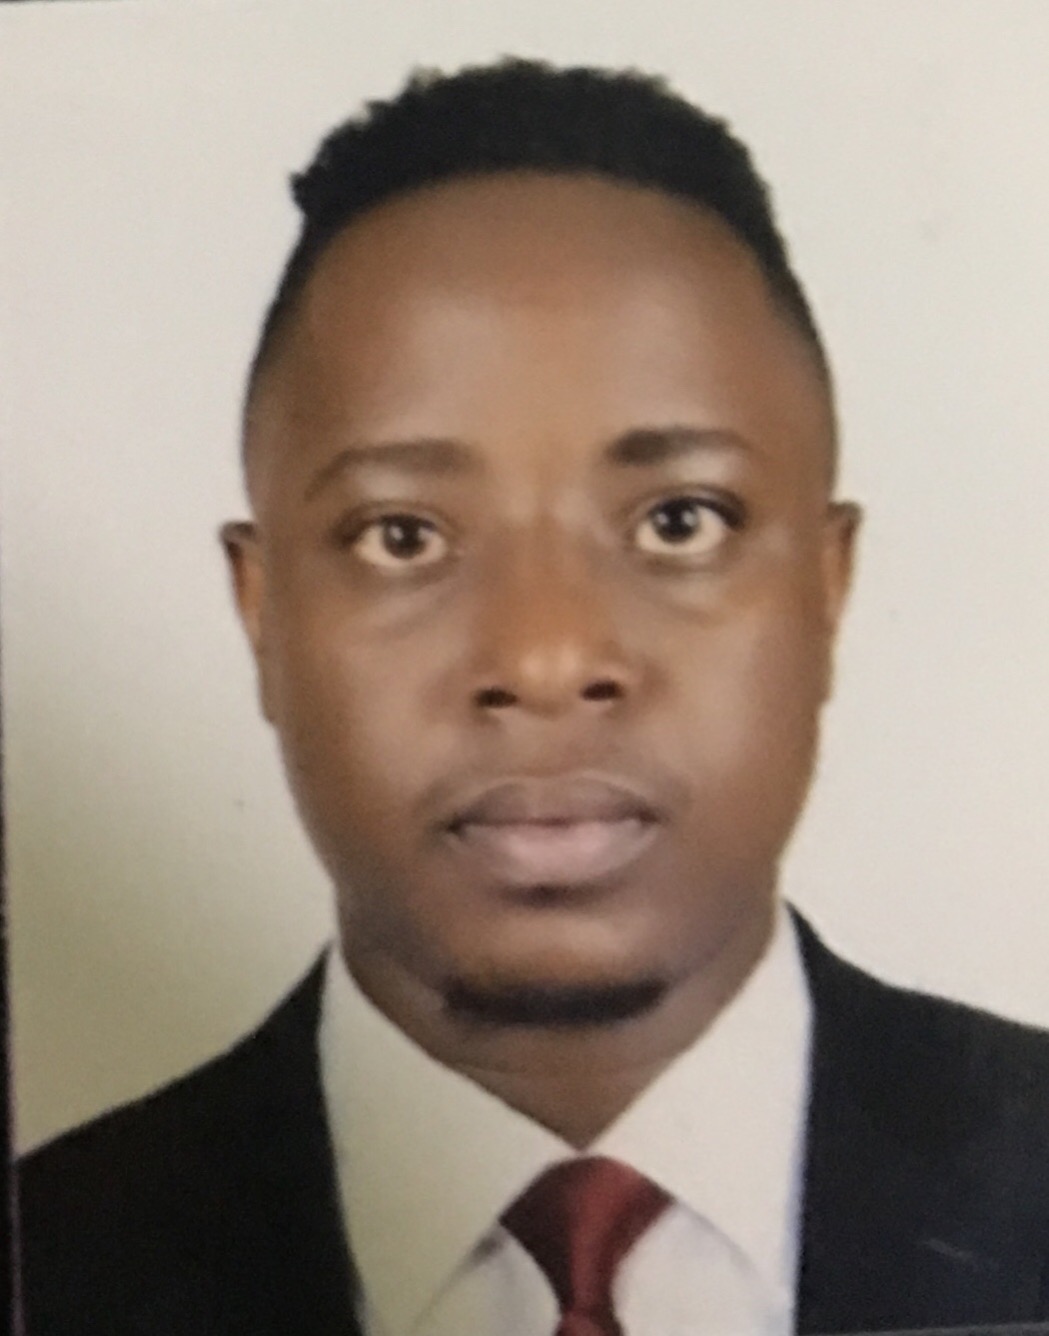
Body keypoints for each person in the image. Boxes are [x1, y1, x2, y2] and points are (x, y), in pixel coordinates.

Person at [17, 58, 1049, 1336]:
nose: (548, 656)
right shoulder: (49, 1266)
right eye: (403, 535)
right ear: (261, 612)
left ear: (826, 588)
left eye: (679, 520)